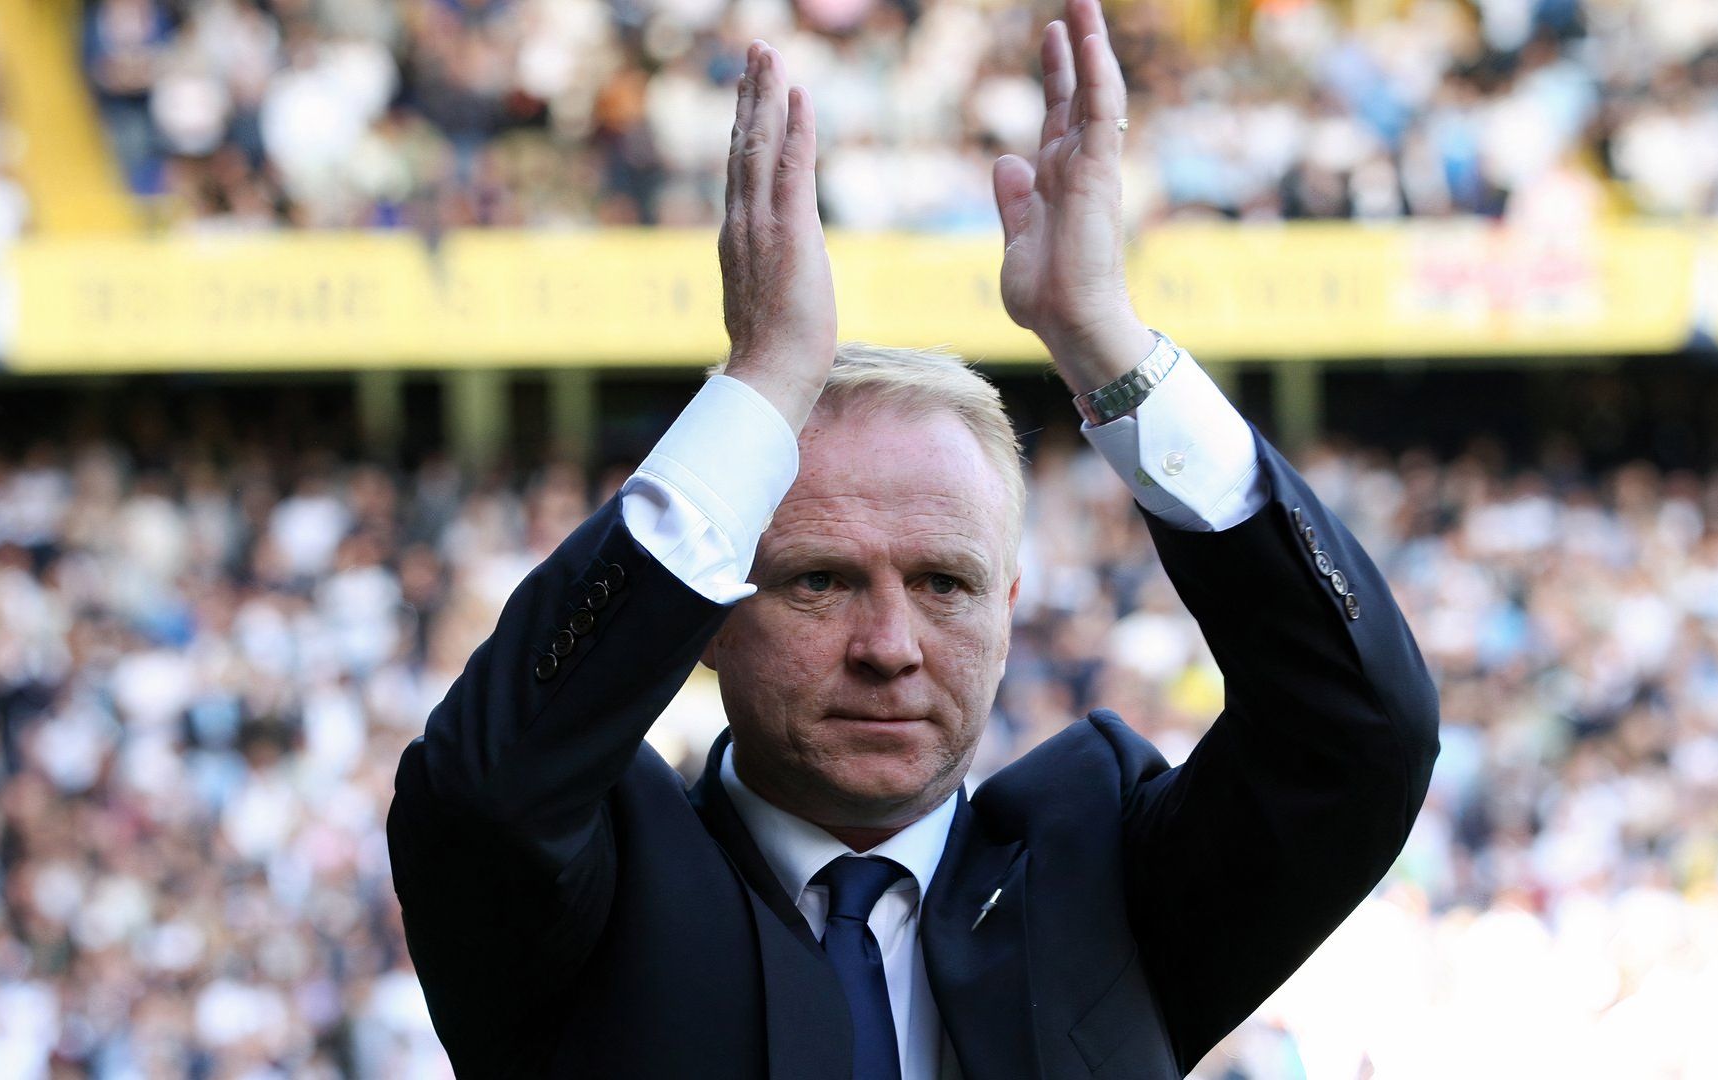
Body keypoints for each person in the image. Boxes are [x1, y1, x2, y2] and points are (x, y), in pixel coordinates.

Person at [386, 1, 1440, 1075]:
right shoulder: (591, 888)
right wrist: (761, 387)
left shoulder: (1109, 882)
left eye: (944, 584)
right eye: (821, 582)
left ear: (1009, 609)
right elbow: (481, 798)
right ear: (704, 618)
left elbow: (1359, 737)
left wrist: (1105, 344)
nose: (888, 645)